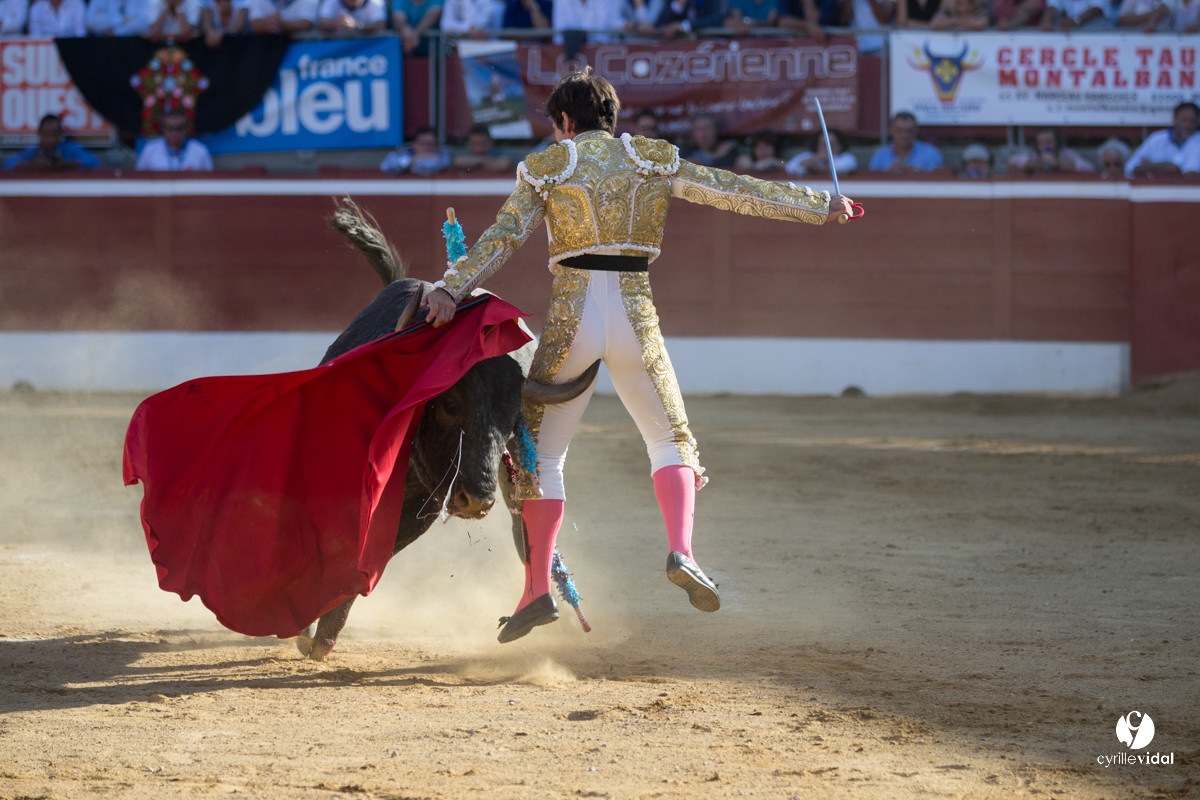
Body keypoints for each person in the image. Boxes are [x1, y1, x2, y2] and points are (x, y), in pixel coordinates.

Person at [420, 68, 857, 643]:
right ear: (612, 117)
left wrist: (451, 288)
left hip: (575, 315)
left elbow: (503, 237)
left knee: (541, 456)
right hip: (634, 313)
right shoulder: (653, 158)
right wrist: (817, 205)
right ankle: (683, 551)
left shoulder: (550, 166)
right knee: (670, 439)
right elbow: (734, 190)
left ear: (565, 122)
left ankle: (535, 591)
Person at [1124, 101, 1199, 178]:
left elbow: (1190, 174)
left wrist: (1150, 166)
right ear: (1174, 119)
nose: (1188, 125)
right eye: (1184, 120)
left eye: (1192, 121)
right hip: (1152, 188)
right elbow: (1130, 168)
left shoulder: (1197, 140)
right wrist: (1163, 166)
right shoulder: (1157, 139)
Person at [4, 113, 100, 172]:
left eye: (54, 135)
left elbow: (94, 162)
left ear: (61, 134)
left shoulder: (69, 149)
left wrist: (64, 165)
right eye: (46, 135)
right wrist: (33, 165)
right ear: (39, 133)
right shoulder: (34, 152)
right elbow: (8, 164)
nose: (50, 139)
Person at [136, 110, 214, 171]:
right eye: (170, 128)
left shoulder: (200, 151)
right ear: (163, 129)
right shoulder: (150, 149)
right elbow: (139, 178)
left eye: (180, 128)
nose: (175, 132)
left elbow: (209, 181)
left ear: (186, 129)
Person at [868, 111, 944, 172]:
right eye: (899, 131)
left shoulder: (931, 154)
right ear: (891, 131)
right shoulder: (880, 157)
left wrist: (914, 172)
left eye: (909, 131)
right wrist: (889, 174)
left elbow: (938, 182)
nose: (904, 135)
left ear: (916, 131)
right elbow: (871, 183)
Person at [1006, 127, 1096, 175]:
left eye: (1049, 142)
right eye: (1041, 143)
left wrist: (1058, 164)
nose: (1045, 146)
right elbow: (1012, 161)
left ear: (1057, 142)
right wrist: (1041, 164)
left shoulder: (1067, 155)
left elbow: (1089, 168)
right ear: (1037, 145)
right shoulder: (1034, 156)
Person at [785, 127, 858, 176]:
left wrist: (825, 160)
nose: (827, 148)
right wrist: (817, 158)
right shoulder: (809, 155)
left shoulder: (847, 157)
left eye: (832, 144)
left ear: (840, 145)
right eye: (823, 144)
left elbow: (840, 170)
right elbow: (791, 167)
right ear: (817, 145)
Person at [380, 125, 452, 175]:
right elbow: (386, 166)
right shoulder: (404, 153)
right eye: (423, 143)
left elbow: (428, 169)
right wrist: (412, 160)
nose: (427, 147)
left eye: (431, 144)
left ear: (437, 145)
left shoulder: (442, 154)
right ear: (414, 144)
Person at [86, 0, 156, 34]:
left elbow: (145, 23)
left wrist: (116, 32)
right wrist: (121, 21)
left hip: (133, 47)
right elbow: (91, 21)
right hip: (104, 47)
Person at [249, 0, 318, 32]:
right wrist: (269, 24)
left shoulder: (309, 1)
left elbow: (307, 24)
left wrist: (281, 23)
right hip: (265, 47)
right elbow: (255, 24)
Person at [317, 0, 385, 32]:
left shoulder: (375, 3)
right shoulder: (331, 2)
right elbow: (321, 24)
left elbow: (380, 25)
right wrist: (336, 24)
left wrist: (357, 25)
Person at [1039, 0, 1108, 29]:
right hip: (1072, 41)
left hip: (1099, 39)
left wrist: (1075, 21)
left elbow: (1096, 9)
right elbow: (1053, 7)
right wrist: (1046, 21)